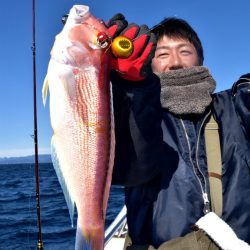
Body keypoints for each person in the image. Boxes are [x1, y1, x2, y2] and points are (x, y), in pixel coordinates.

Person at [106, 14, 250, 249]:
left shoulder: (234, 106)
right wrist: (130, 90)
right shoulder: (141, 118)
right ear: (148, 62)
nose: (174, 62)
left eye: (184, 51)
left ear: (200, 59)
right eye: (162, 54)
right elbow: (127, 170)